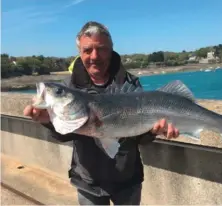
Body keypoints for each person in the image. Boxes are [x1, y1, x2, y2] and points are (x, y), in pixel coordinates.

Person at [23, 21, 179, 205]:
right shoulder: (69, 87)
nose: (94, 56)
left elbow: (140, 136)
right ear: (80, 53)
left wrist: (153, 132)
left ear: (111, 50)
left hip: (127, 179)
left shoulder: (129, 84)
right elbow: (65, 134)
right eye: (87, 50)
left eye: (102, 49)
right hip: (88, 181)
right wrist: (48, 121)